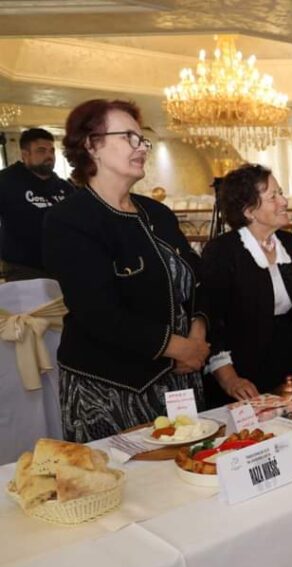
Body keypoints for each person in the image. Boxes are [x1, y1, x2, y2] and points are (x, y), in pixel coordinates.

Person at [42, 99, 210, 442]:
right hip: (110, 389)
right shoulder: (70, 219)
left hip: (179, 378)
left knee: (190, 468)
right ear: (92, 146)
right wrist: (180, 348)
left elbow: (198, 281)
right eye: (128, 137)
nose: (141, 147)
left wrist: (197, 334)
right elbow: (98, 313)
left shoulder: (158, 213)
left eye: (142, 139)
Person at [200, 164, 292, 406]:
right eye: (273, 197)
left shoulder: (288, 243)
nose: (284, 201)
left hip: (290, 360)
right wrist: (229, 379)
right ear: (248, 211)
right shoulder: (222, 251)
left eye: (281, 193)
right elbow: (214, 322)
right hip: (242, 370)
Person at [0, 128, 74, 280]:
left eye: (51, 151)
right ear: (25, 154)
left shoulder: (64, 187)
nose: (49, 156)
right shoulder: (6, 182)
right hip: (23, 268)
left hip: (63, 264)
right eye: (41, 151)